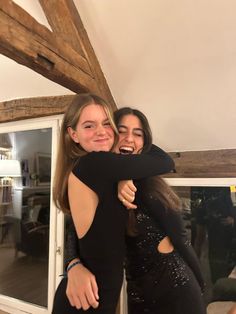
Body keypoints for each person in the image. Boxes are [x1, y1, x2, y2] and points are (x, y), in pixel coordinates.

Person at [64, 107, 206, 314]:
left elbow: (181, 236)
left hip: (177, 286)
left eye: (138, 134)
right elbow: (74, 229)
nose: (129, 139)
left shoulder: (149, 182)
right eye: (121, 131)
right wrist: (72, 265)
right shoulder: (97, 180)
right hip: (138, 292)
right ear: (111, 134)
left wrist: (200, 281)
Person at [52, 94, 174, 314]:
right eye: (89, 125)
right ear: (73, 134)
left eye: (107, 123)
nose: (101, 131)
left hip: (93, 299)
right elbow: (165, 160)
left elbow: (80, 233)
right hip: (84, 303)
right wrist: (72, 264)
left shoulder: (93, 170)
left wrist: (122, 174)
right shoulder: (93, 164)